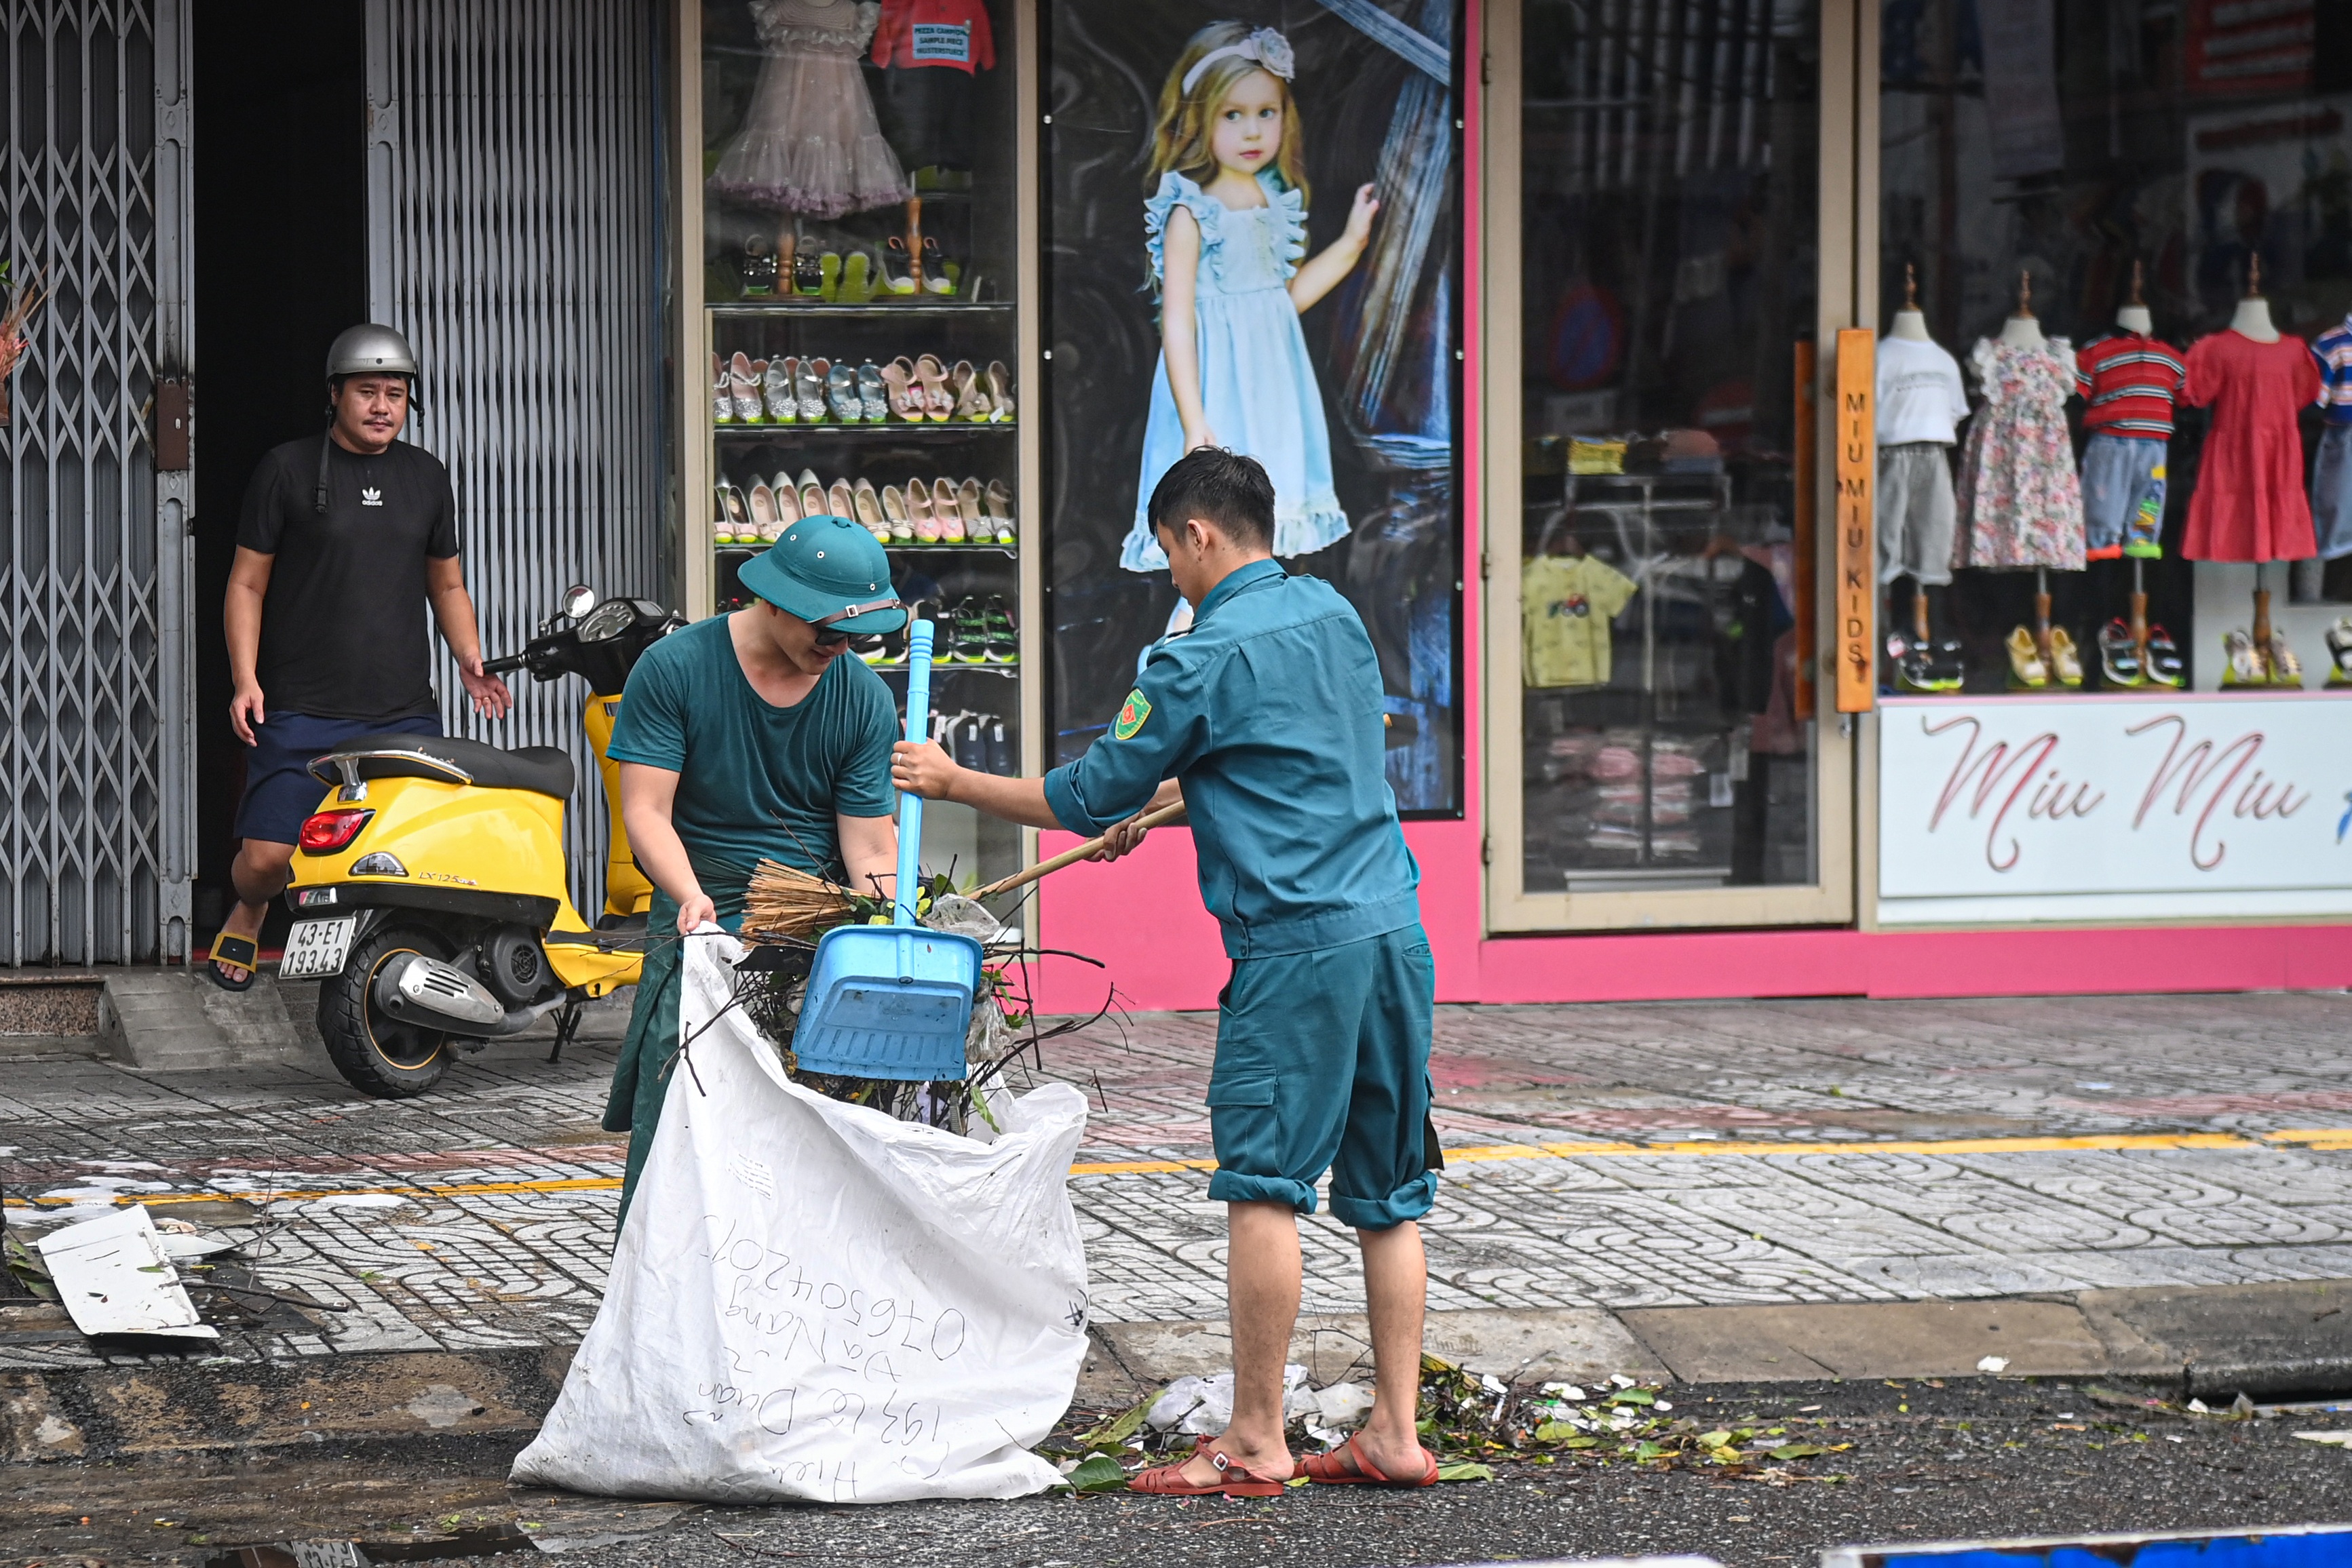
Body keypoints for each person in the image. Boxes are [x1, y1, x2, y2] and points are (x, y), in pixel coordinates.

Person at [893, 448, 1439, 1497]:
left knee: (1263, 1187)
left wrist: (954, 777)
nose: (1168, 578)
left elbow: (1086, 794)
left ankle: (1253, 1439)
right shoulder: (1334, 616)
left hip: (1296, 950)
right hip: (1391, 931)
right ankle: (1395, 1436)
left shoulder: (1197, 655)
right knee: (1388, 1194)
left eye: (1168, 555)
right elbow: (1309, 760)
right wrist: (1183, 800)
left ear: (1196, 535)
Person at [603, 515, 909, 1223]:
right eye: (825, 631)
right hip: (698, 916)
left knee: (809, 1139)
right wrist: (690, 896)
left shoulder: (860, 696)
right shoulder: (674, 667)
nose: (838, 649)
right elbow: (646, 810)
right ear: (771, 600)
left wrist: (894, 927)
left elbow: (868, 848)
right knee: (681, 1121)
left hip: (811, 929)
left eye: (853, 636)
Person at [210, 324, 512, 990]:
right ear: (335, 395)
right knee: (267, 857)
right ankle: (252, 906)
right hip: (300, 705)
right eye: (368, 392)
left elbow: (448, 582)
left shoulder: (425, 476)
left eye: (396, 394)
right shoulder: (286, 469)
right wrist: (244, 679)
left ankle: (382, 963)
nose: (382, 406)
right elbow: (247, 582)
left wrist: (469, 654)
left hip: (399, 709)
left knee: (409, 856)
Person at [1115, 21, 1378, 576]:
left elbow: (1282, 302)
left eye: (1267, 112)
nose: (1252, 130)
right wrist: (1194, 422)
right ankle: (1185, 650)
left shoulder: (1273, 199)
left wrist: (1352, 243)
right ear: (1201, 119)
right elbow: (1179, 324)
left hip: (1272, 392)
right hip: (1219, 395)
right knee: (1215, 541)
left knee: (1262, 542)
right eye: (1232, 115)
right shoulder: (1191, 213)